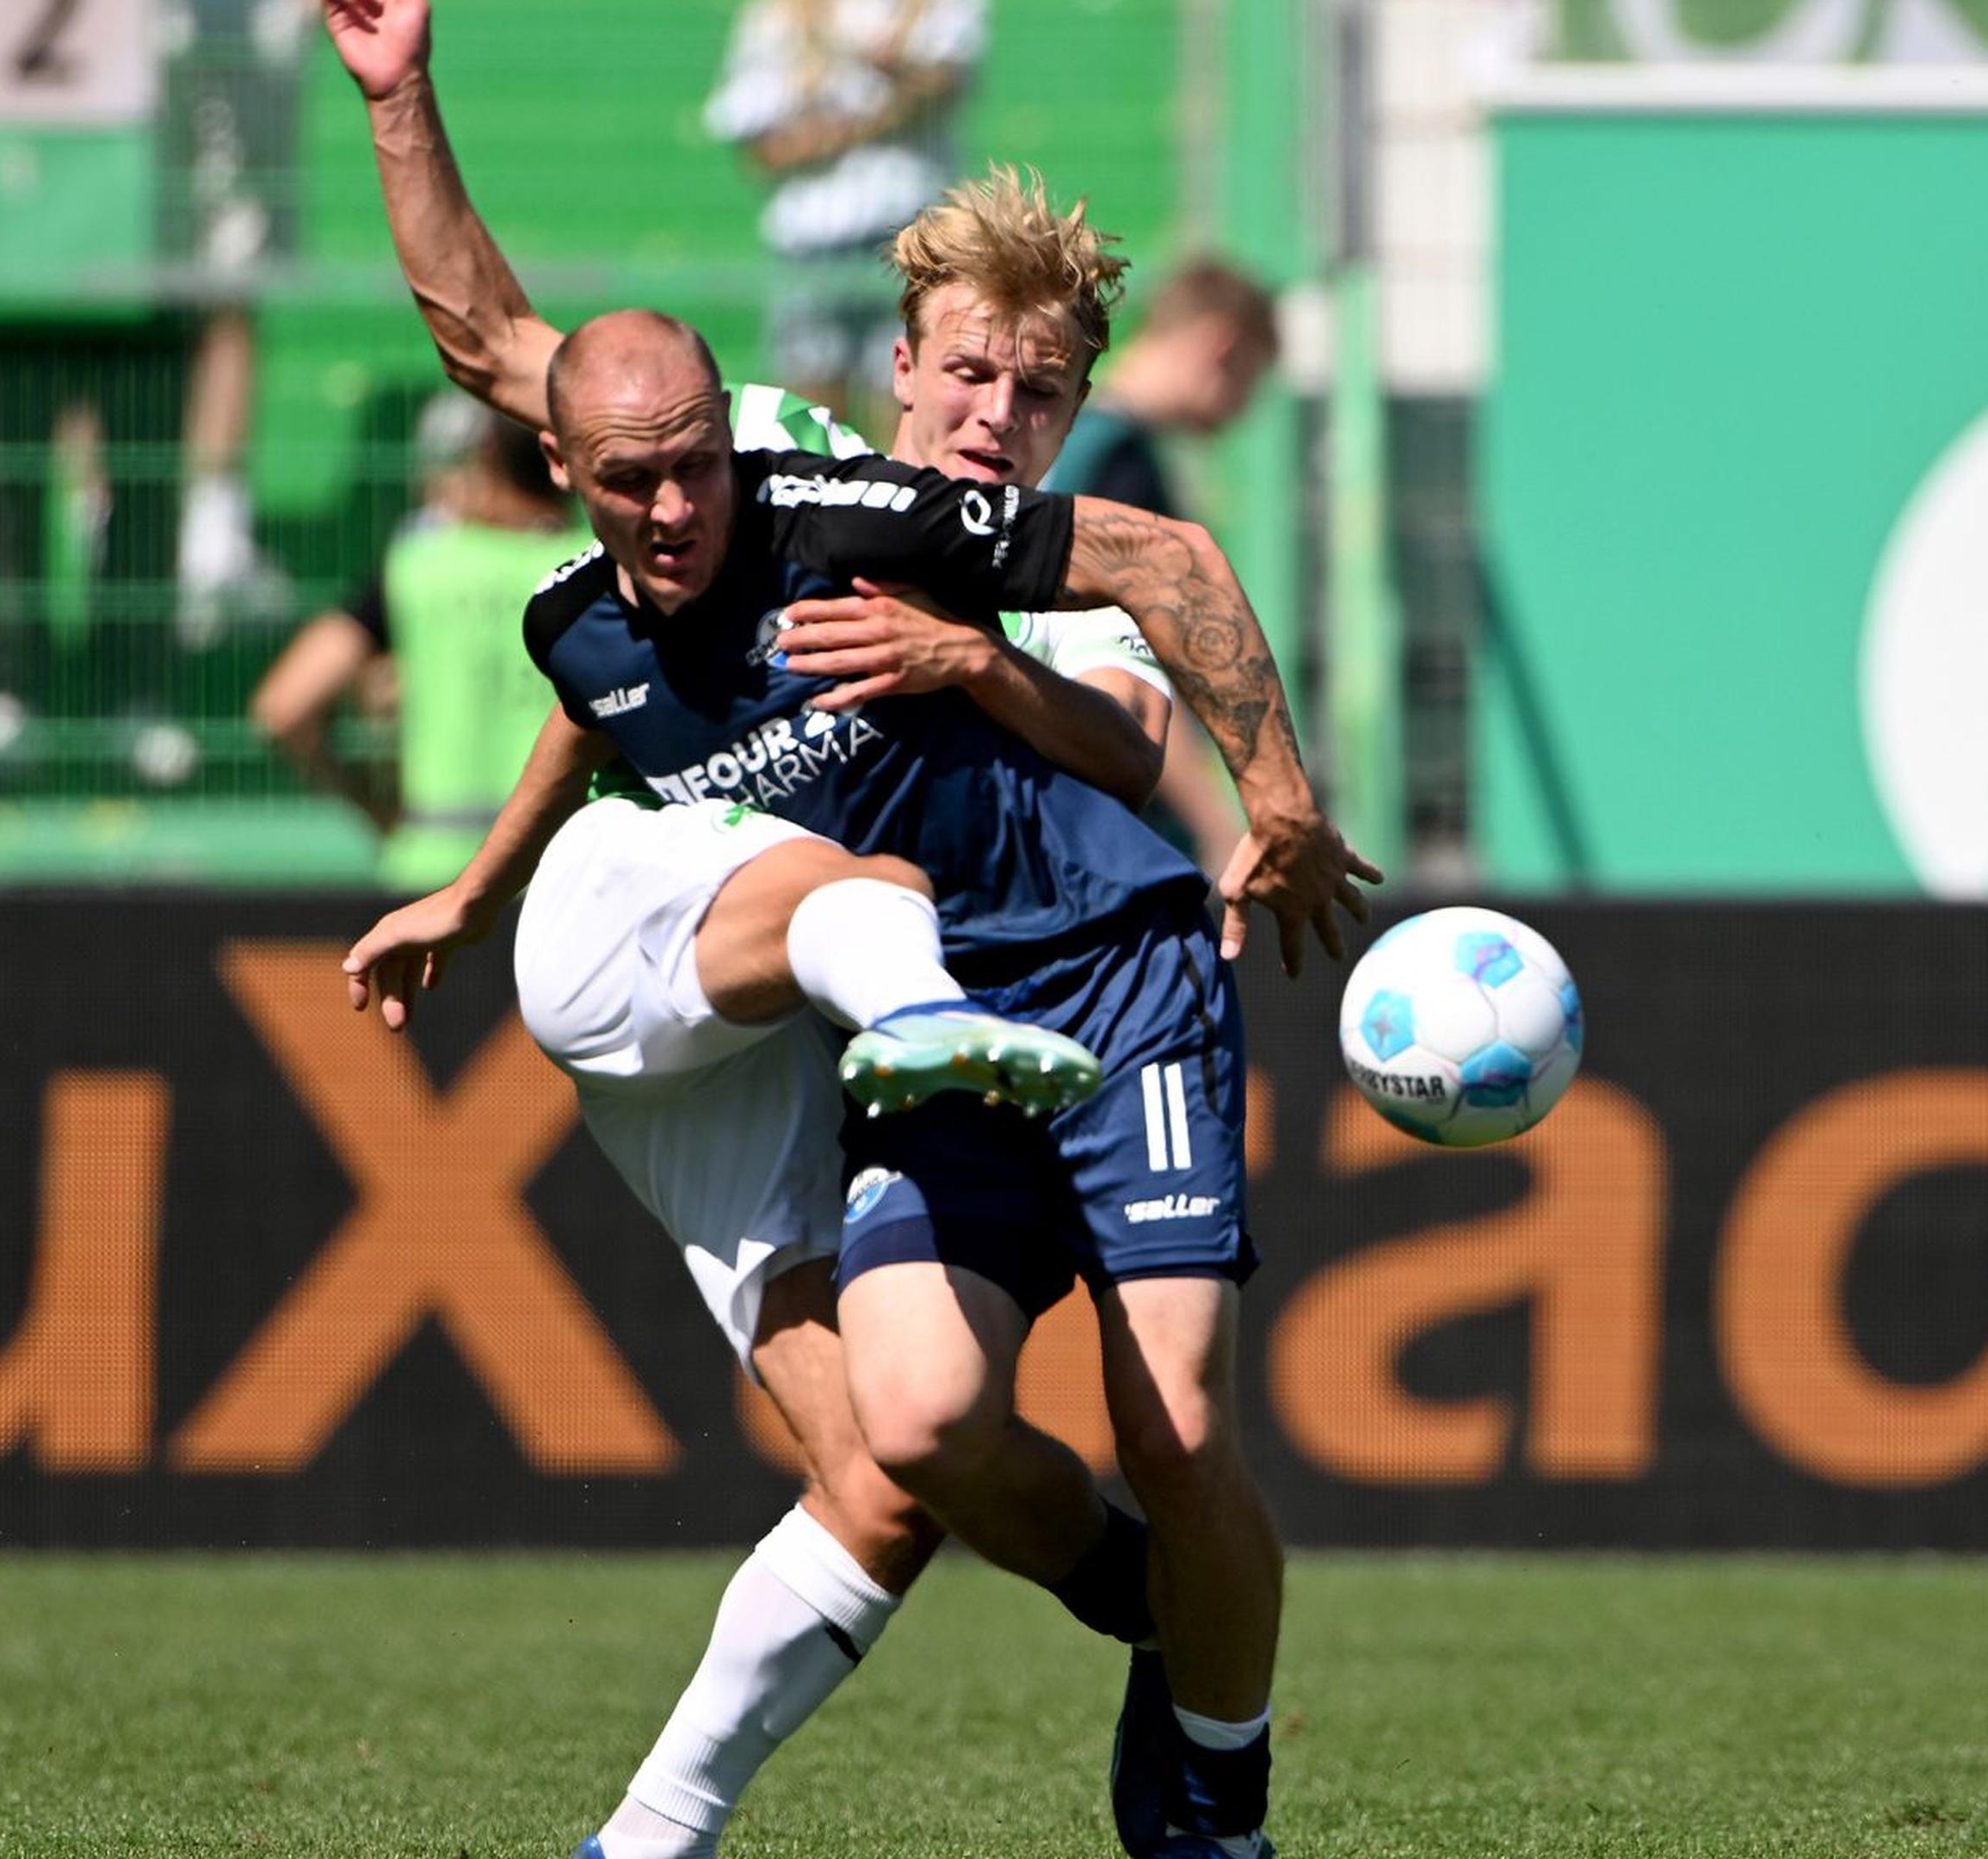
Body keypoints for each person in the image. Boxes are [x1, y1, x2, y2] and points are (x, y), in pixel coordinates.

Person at [321, 9, 1363, 1857]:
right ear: (900, 366)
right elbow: (504, 360)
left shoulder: (1038, 552)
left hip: (1094, 989)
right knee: (925, 1425)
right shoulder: (755, 467)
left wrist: (1052, 694)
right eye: (971, 377)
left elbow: (1130, 726)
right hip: (882, 1000)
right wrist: (401, 96)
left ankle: (1212, 1769)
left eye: (1040, 395)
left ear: (1076, 405)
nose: (997, 419)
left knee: (1138, 1426)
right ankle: (1149, 1603)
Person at [250, 392, 589, 888]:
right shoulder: (607, 568)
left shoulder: (419, 566)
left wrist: (374, 808)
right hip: (566, 871)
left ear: (487, 456)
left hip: (434, 870)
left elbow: (283, 708)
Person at [1043, 258, 1287, 871]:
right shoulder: (1119, 462)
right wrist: (1220, 828)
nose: (1243, 411)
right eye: (1251, 381)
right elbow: (1129, 652)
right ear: (1221, 348)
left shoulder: (1069, 439)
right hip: (1098, 816)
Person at [702, 0, 986, 423]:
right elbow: (762, 145)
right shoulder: (777, 15)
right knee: (811, 418)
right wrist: (876, 106)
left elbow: (944, 82)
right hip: (810, 240)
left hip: (910, 233)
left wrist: (841, 109)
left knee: (910, 405)